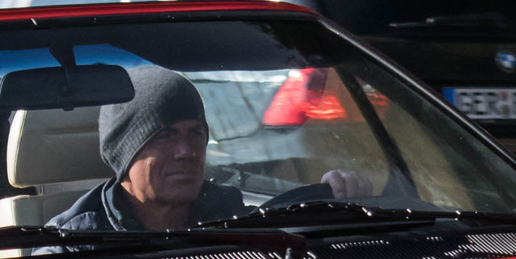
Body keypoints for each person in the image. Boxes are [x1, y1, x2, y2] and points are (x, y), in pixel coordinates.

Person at [49, 67, 375, 233]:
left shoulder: (229, 215)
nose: (186, 151)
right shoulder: (74, 245)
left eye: (196, 134)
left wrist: (338, 197)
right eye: (164, 136)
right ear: (124, 151)